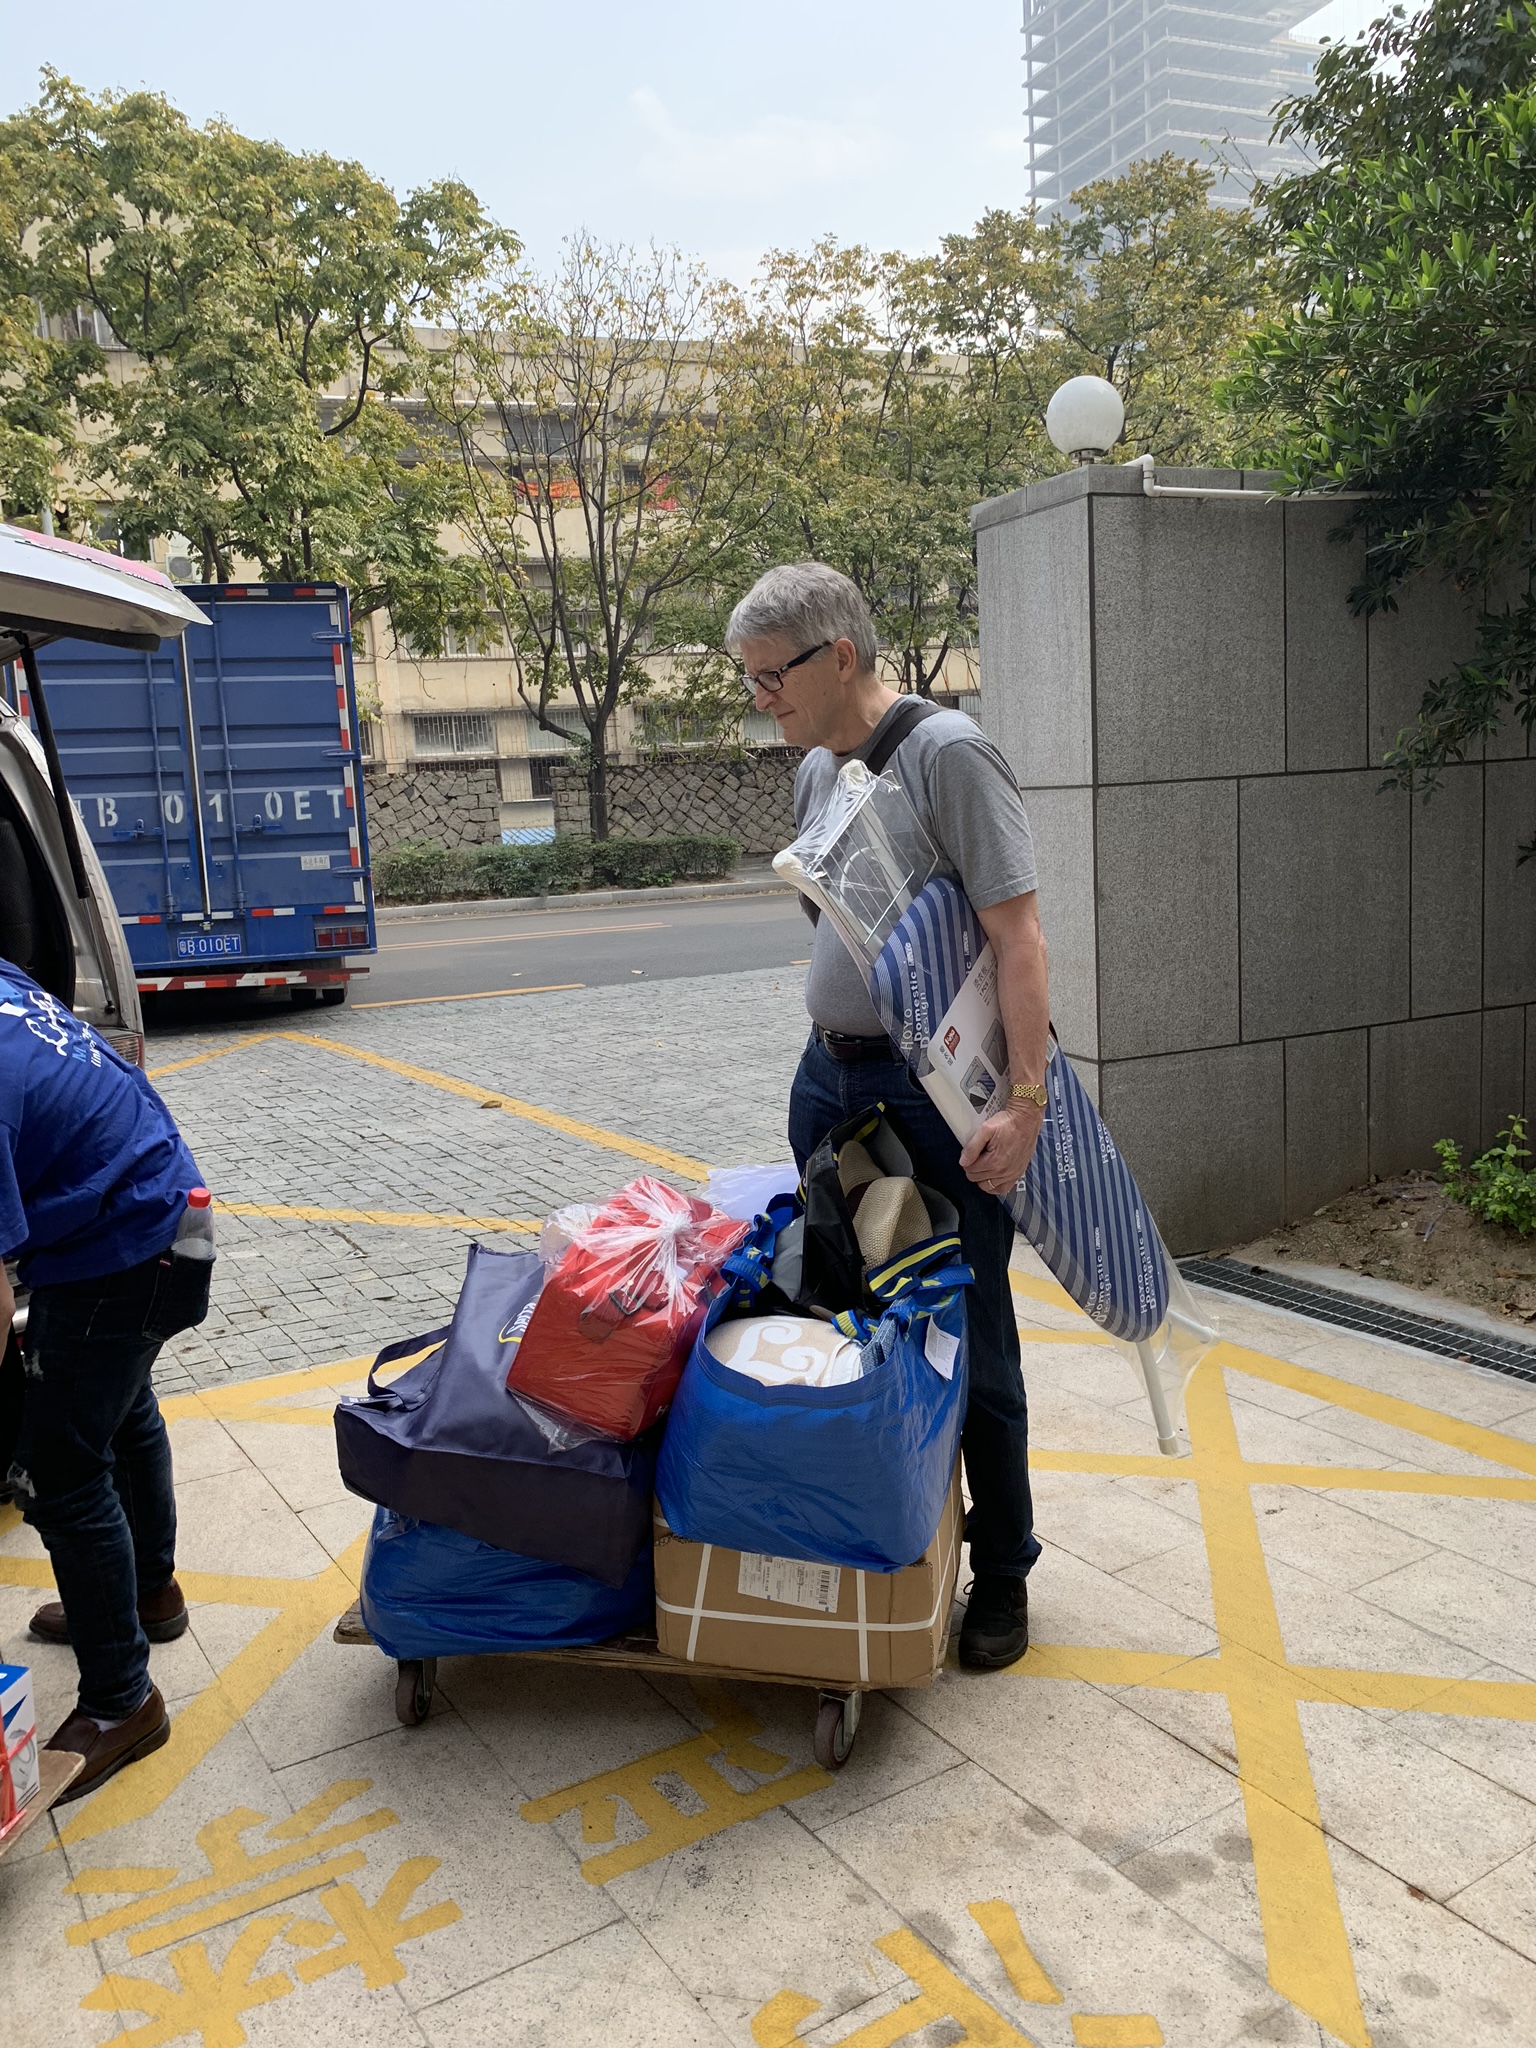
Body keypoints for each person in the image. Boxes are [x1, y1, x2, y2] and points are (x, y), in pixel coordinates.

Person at [728, 562, 1050, 1670]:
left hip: (933, 1096)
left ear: (840, 656)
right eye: (750, 679)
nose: (761, 697)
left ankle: (1002, 1569)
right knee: (849, 1317)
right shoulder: (817, 773)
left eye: (772, 676)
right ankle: (886, 1540)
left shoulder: (947, 755)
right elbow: (829, 920)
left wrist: (1024, 1102)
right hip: (830, 1083)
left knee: (969, 1331)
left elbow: (1019, 937)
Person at [0, 957, 210, 1800]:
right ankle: (149, 1595)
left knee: (60, 1473)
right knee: (123, 1411)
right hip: (164, 1212)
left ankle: (124, 1699)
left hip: (118, 1254)